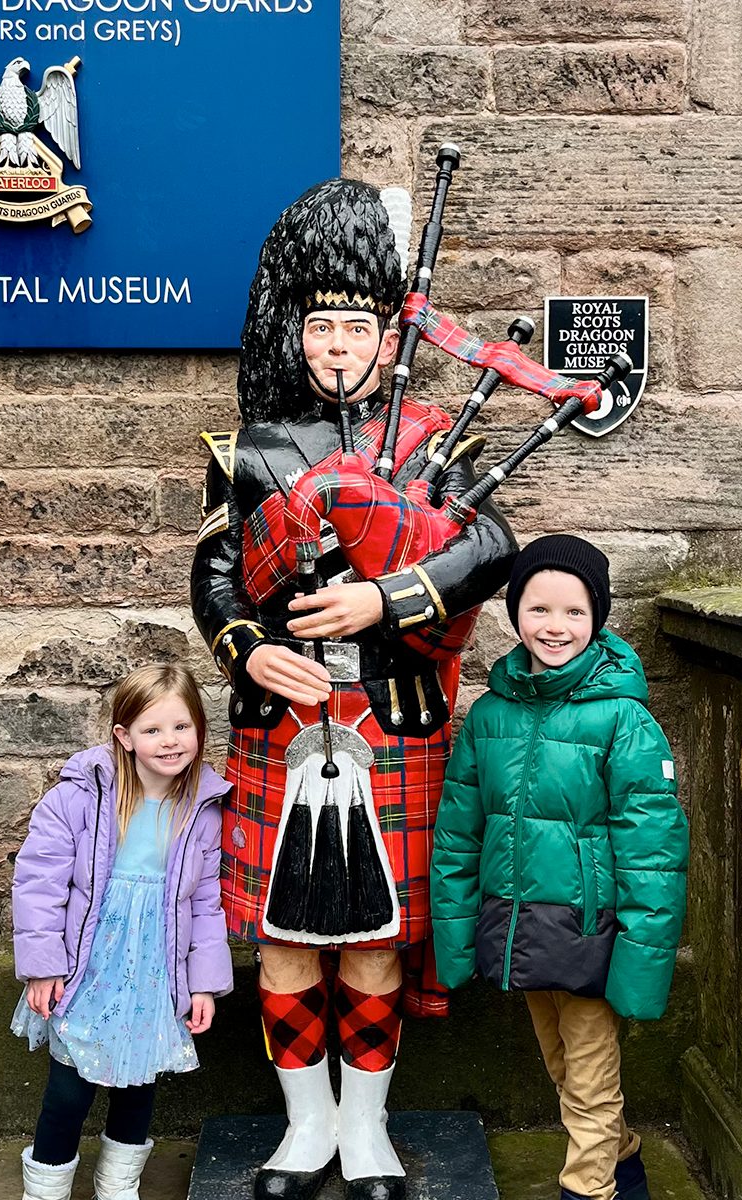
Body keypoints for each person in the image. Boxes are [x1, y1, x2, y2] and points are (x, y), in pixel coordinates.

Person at [191, 178, 517, 1200]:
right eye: (318, 323)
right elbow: (210, 575)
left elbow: (492, 546)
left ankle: (366, 1132)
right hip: (279, 722)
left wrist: (387, 602)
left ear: (389, 337)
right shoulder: (246, 451)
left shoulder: (433, 438)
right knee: (288, 941)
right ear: (293, 334)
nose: (336, 344)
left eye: (357, 326)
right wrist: (245, 647)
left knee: (373, 939)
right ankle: (304, 1130)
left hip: (390, 719)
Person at [431, 535, 689, 1200]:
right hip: (519, 926)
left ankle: (590, 1187)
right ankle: (624, 1156)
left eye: (574, 612)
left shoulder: (624, 720)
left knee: (591, 1082)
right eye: (539, 609)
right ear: (515, 614)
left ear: (597, 618)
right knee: (564, 1072)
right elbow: (460, 833)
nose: (555, 626)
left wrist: (641, 958)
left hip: (592, 932)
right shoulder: (489, 715)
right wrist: (456, 941)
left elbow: (653, 853)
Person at [10, 663, 232, 1200]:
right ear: (124, 737)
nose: (169, 741)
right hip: (89, 963)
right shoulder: (79, 798)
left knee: (138, 1084)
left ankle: (118, 1184)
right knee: (70, 1089)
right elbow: (39, 881)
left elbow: (205, 903)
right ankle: (46, 1188)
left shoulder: (202, 808)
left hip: (157, 966)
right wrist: (44, 967)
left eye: (181, 726)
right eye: (152, 729)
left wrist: (203, 982)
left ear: (200, 729)